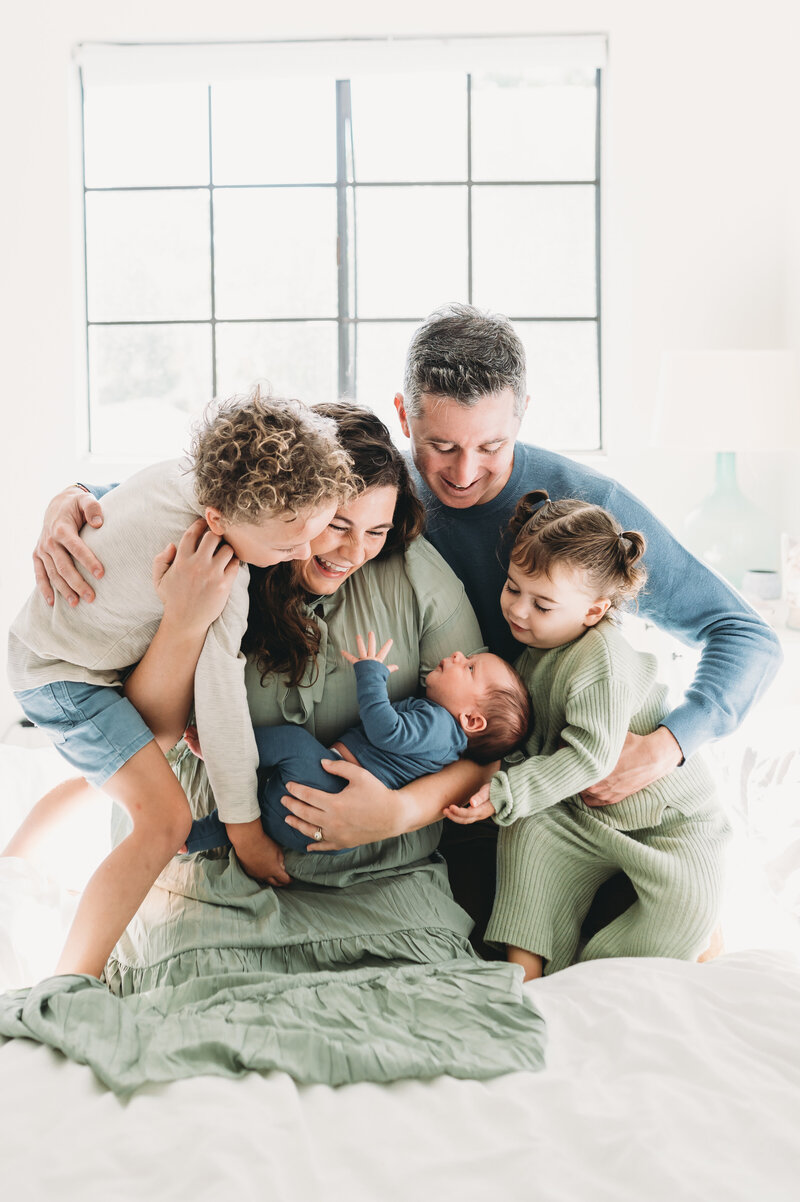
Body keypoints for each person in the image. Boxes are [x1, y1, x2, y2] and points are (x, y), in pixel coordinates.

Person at [30, 305, 782, 947]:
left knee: (614, 930)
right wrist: (78, 496)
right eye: (440, 445)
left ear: (521, 415)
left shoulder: (585, 504)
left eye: (490, 446)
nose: (460, 472)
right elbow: (227, 487)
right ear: (403, 416)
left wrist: (672, 741)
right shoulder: (362, 483)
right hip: (444, 770)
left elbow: (742, 632)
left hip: (536, 773)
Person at [5, 390, 353, 977]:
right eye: (288, 543)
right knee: (165, 820)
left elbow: (109, 504)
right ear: (218, 522)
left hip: (53, 648)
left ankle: (16, 860)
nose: (305, 553)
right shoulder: (221, 569)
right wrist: (244, 832)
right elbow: (222, 707)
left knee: (130, 769)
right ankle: (72, 978)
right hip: (61, 675)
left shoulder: (185, 475)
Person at [443, 490, 731, 980]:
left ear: (594, 611)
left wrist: (505, 790)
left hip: (668, 824)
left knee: (682, 913)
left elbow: (591, 758)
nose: (518, 611)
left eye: (543, 604)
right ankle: (528, 970)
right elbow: (538, 752)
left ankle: (596, 977)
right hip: (585, 817)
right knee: (527, 832)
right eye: (513, 589)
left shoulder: (600, 661)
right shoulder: (533, 657)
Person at [183, 632, 532, 855]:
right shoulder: (442, 739)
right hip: (322, 828)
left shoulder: (439, 727)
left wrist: (371, 674)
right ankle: (190, 840)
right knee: (257, 801)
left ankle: (225, 747)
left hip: (331, 794)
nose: (458, 655)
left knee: (292, 742)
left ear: (472, 721)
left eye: (469, 668)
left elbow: (386, 731)